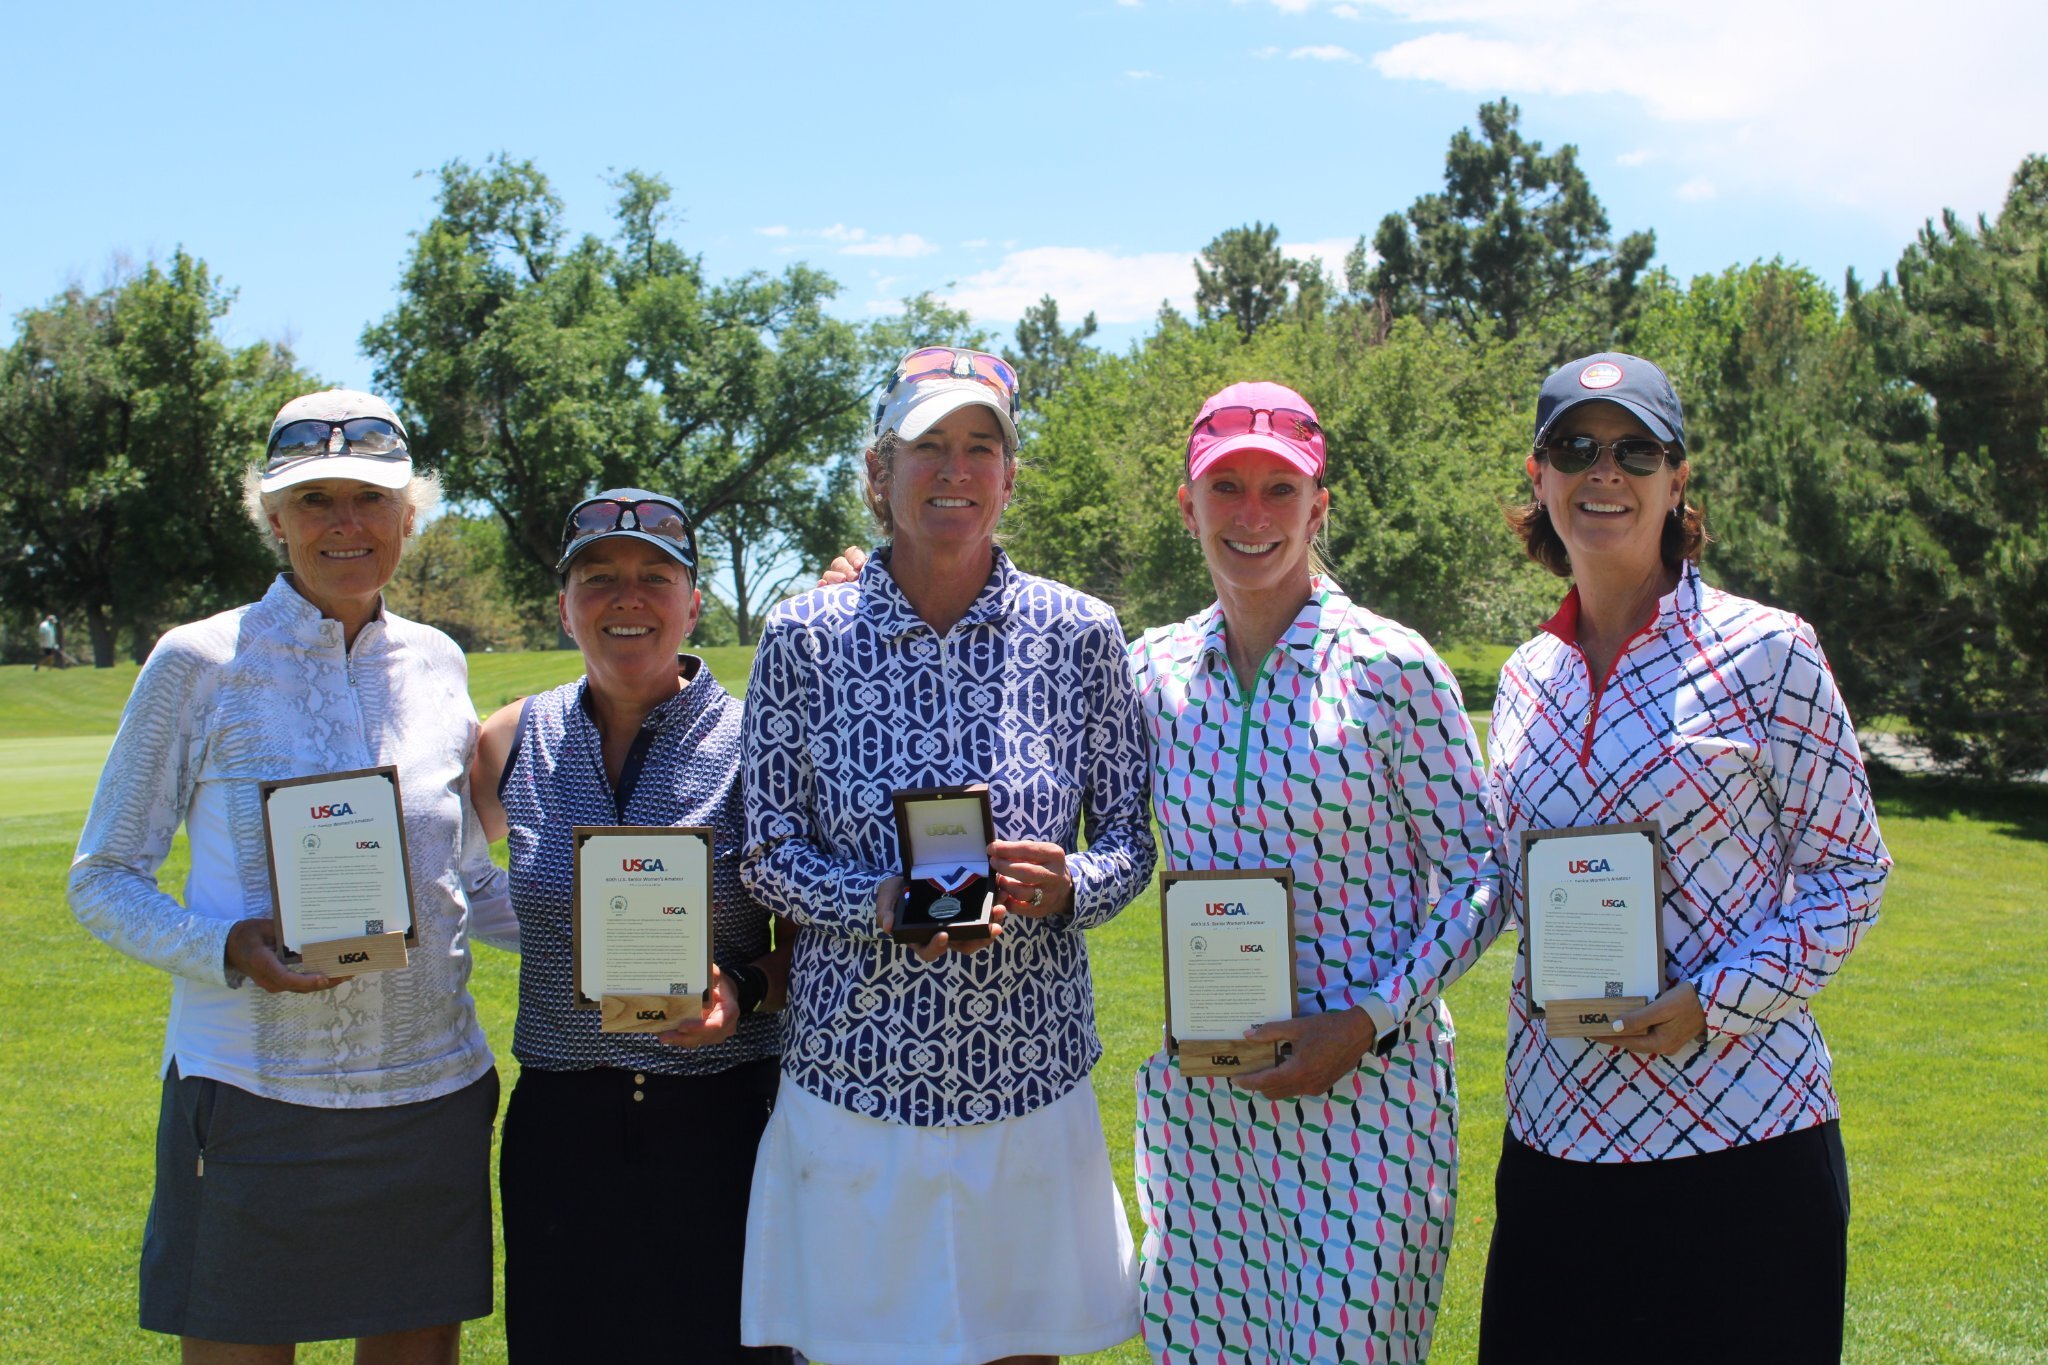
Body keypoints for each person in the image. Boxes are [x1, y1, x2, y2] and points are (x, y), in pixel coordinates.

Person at [68, 389, 517, 1363]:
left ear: (412, 515)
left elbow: (467, 883)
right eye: (315, 501)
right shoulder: (200, 663)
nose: (345, 523)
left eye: (370, 498)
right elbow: (103, 875)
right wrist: (221, 946)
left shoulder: (439, 663)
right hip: (253, 1095)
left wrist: (621, 934)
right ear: (273, 519)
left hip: (431, 1090)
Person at [738, 347, 1157, 1365]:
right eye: (929, 446)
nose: (955, 470)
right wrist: (872, 900)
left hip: (1026, 1071)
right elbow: (765, 851)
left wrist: (1070, 884)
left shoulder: (1078, 633)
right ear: (880, 472)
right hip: (855, 1076)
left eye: (981, 446)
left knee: (1017, 1350)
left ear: (1010, 476)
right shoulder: (804, 637)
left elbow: (1134, 842)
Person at [1479, 353, 1891, 1363]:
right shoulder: (1525, 677)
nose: (1602, 471)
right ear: (1538, 477)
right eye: (1573, 446)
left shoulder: (1767, 652)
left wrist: (1714, 1001)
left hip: (1740, 1144)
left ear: (1675, 480)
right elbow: (1489, 880)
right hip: (1554, 1138)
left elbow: (1850, 876)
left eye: (1633, 449)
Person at [1127, 382, 1504, 1363]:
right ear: (1187, 506)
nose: (1250, 517)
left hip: (1369, 1103)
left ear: (1318, 507)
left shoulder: (1391, 668)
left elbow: (1479, 876)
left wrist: (1369, 1019)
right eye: (1226, 489)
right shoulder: (1153, 673)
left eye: (1278, 491)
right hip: (1208, 1106)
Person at [469, 488, 792, 1364]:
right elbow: (431, 876)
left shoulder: (760, 740)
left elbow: (822, 936)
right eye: (599, 577)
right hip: (561, 1125)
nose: (628, 596)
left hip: (723, 1120)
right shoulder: (511, 739)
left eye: (657, 575)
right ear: (566, 605)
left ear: (693, 603)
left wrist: (750, 988)